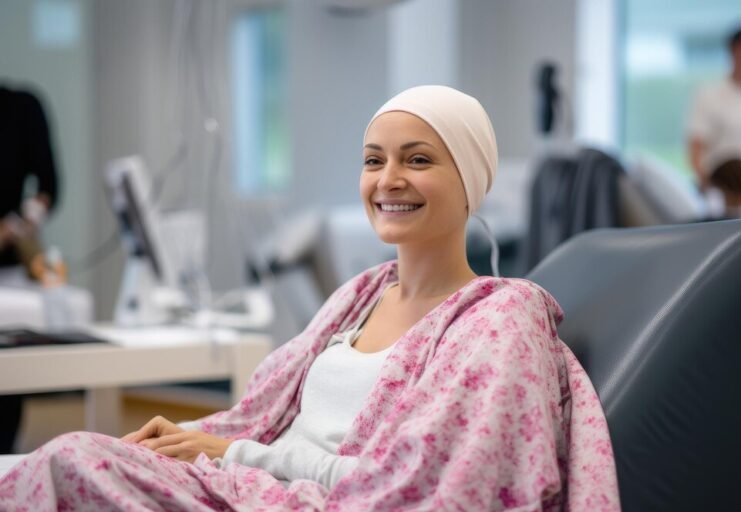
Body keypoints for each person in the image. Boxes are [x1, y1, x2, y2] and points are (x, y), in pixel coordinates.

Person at [0, 86, 619, 510]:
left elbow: (433, 491)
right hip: (254, 479)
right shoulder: (361, 295)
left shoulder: (498, 320)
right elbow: (258, 421)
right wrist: (199, 442)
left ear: (471, 181)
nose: (388, 180)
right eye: (373, 160)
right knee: (38, 463)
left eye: (419, 159)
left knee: (70, 462)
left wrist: (235, 454)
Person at [0, 85, 59, 455]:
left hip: (10, 273)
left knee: (8, 378)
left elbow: (49, 185)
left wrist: (17, 227)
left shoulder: (22, 107)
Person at [687, 23, 741, 191]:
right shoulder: (709, 95)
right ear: (737, 50)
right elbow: (696, 152)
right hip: (732, 201)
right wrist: (717, 193)